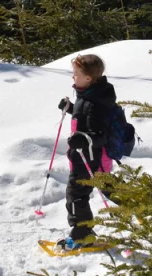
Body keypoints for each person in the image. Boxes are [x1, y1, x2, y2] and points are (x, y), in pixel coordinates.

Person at [55, 52, 117, 252]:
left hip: (89, 159)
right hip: (91, 158)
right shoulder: (90, 95)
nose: (73, 77)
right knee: (111, 188)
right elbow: (87, 118)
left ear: (88, 78)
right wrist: (71, 108)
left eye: (76, 73)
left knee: (76, 194)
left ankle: (83, 235)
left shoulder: (94, 103)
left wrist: (84, 139)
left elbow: (100, 134)